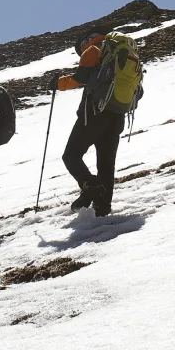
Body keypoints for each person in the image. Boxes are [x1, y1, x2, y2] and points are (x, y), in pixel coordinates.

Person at [57, 32, 124, 216]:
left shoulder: (93, 50)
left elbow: (79, 78)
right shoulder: (119, 53)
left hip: (94, 113)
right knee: (106, 163)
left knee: (71, 155)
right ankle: (102, 209)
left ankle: (90, 186)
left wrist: (58, 83)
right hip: (117, 114)